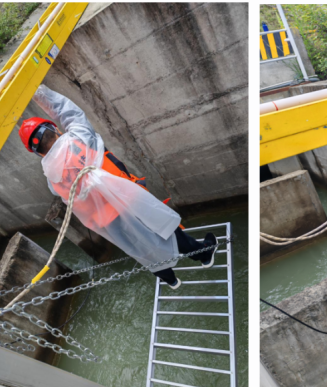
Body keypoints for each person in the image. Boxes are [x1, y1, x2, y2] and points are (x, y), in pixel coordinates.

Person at [19, 84, 217, 289]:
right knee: (163, 228)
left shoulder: (52, 180)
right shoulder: (80, 137)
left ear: (38, 153)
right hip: (128, 198)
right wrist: (39, 92)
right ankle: (203, 254)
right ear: (55, 128)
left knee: (139, 246)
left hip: (107, 221)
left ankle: (170, 279)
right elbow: (67, 110)